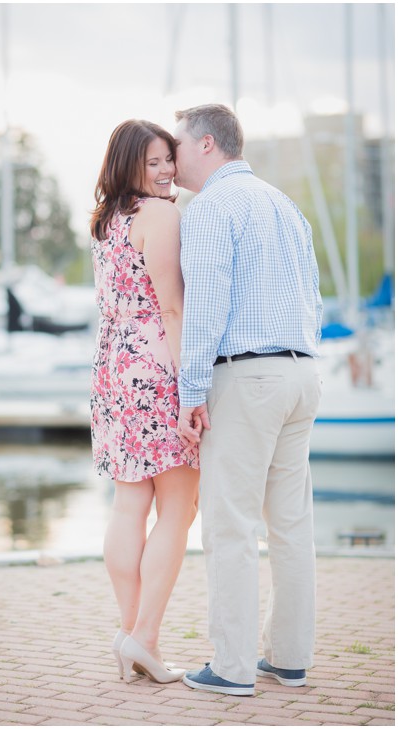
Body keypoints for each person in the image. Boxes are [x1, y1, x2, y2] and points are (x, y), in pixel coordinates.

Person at [171, 103, 322, 696]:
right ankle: (288, 657)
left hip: (249, 376)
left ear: (207, 144)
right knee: (290, 524)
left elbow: (206, 305)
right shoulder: (285, 205)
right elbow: (311, 297)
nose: (173, 155)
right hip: (301, 373)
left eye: (178, 144)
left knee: (230, 524)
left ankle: (231, 667)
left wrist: (191, 391)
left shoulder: (210, 208)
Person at [88, 119, 201, 685]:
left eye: (168, 161)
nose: (165, 171)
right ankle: (145, 636)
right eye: (153, 162)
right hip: (156, 368)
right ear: (130, 163)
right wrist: (189, 389)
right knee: (179, 507)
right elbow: (173, 307)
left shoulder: (109, 221)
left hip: (114, 367)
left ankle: (129, 630)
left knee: (128, 505)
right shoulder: (160, 216)